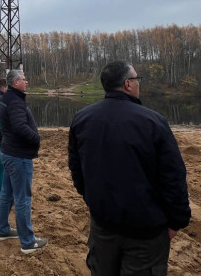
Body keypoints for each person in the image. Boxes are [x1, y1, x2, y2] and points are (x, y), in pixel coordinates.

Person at [68, 60, 191, 275]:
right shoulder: (153, 121)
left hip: (103, 223)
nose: (138, 83)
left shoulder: (82, 118)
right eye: (137, 79)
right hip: (145, 230)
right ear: (127, 84)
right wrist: (177, 221)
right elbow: (173, 176)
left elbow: (77, 170)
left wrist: (92, 200)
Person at [0, 69, 47, 254]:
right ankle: (27, 242)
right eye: (24, 79)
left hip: (8, 153)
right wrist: (36, 138)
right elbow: (19, 127)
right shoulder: (15, 101)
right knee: (23, 198)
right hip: (18, 157)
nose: (27, 82)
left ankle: (3, 230)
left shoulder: (8, 98)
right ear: (15, 82)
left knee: (6, 194)